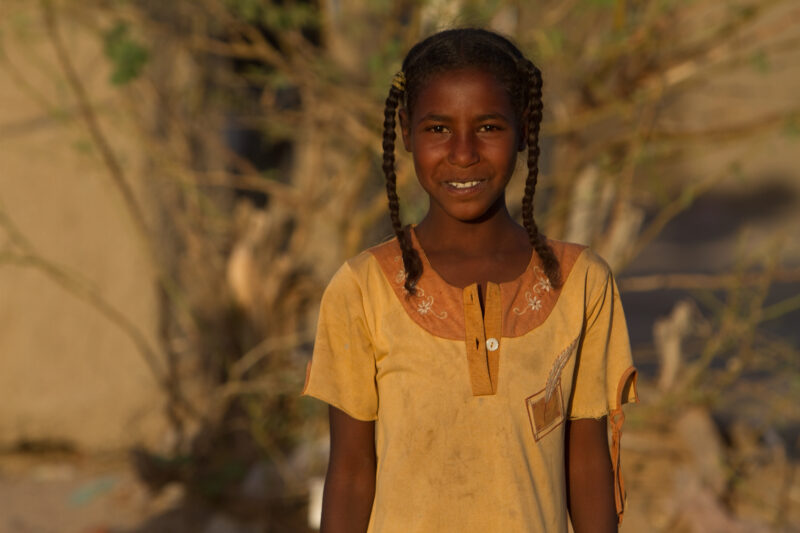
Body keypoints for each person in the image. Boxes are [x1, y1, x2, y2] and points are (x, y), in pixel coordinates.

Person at [302, 28, 638, 533]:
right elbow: (350, 473)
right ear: (407, 131)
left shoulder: (580, 283)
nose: (462, 153)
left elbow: (588, 464)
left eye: (487, 127)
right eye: (438, 128)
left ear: (524, 128)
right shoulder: (362, 288)